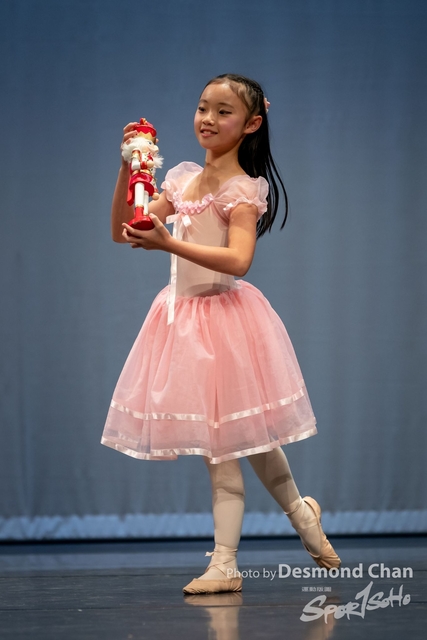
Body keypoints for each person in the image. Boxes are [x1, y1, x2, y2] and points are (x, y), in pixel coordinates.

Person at [101, 73, 341, 594]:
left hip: (227, 325)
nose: (207, 119)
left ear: (251, 124)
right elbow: (125, 231)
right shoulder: (181, 181)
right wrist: (129, 170)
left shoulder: (243, 191)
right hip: (183, 324)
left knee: (238, 445)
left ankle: (228, 562)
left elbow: (238, 260)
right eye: (202, 107)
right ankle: (300, 516)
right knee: (238, 443)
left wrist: (170, 244)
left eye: (223, 111)